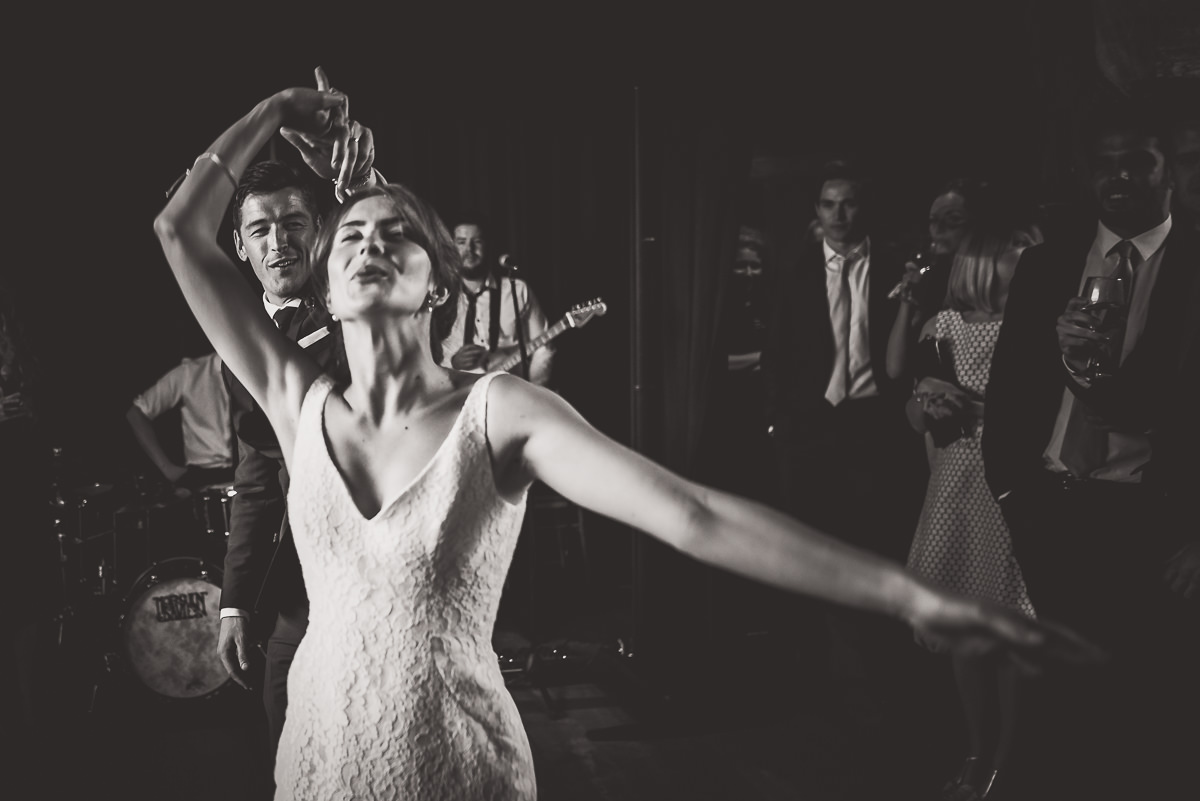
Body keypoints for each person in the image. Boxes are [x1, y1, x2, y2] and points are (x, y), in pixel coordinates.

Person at [154, 81, 1101, 801]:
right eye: (351, 231)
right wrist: (281, 109)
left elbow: (693, 515)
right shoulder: (295, 401)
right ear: (324, 287)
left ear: (436, 281)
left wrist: (905, 591)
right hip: (318, 752)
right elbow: (181, 228)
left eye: (397, 232)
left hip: (451, 757)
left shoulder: (501, 414)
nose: (367, 241)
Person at [983, 99, 1200, 800]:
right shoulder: (1049, 263)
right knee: (1065, 705)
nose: (1118, 177)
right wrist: (1013, 492)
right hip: (1052, 503)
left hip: (1154, 518)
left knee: (1150, 705)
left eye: (1136, 160)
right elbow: (1011, 388)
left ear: (1170, 170)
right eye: (1103, 163)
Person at [211, 67, 379, 774]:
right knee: (287, 742)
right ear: (242, 250)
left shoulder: (354, 313)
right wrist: (233, 601)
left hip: (369, 579)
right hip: (292, 593)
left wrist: (362, 185)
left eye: (292, 224)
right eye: (260, 230)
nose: (277, 241)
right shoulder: (238, 349)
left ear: (319, 235)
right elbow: (256, 476)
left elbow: (391, 257)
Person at [761, 161, 928, 779]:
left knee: (874, 549)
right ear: (817, 211)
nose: (839, 214)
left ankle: (882, 702)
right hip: (809, 432)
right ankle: (815, 691)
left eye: (849, 203)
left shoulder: (895, 268)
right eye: (829, 203)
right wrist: (779, 423)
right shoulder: (794, 268)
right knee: (808, 553)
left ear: (863, 210)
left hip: (874, 429)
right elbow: (776, 348)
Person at [902, 222, 1042, 801]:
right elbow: (915, 414)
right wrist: (930, 403)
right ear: (987, 264)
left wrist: (973, 403)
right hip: (958, 481)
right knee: (964, 630)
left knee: (1009, 627)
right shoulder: (944, 327)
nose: (1032, 265)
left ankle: (1004, 765)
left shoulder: (1030, 328)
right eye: (1021, 256)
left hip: (1011, 480)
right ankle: (975, 749)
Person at [886, 177, 990, 384]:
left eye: (952, 219)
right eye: (933, 220)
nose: (938, 229)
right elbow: (894, 368)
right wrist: (908, 301)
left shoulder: (989, 281)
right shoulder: (931, 279)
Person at [440, 219, 554, 386]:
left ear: (488, 246)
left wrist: (533, 391)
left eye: (477, 241)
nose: (469, 250)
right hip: (459, 398)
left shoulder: (517, 289)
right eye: (461, 242)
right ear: (451, 248)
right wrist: (452, 361)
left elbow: (544, 348)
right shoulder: (441, 296)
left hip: (512, 391)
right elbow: (424, 354)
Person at [125, 350, 234, 489]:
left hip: (252, 472)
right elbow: (136, 413)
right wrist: (167, 468)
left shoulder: (257, 369)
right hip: (204, 478)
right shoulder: (190, 372)